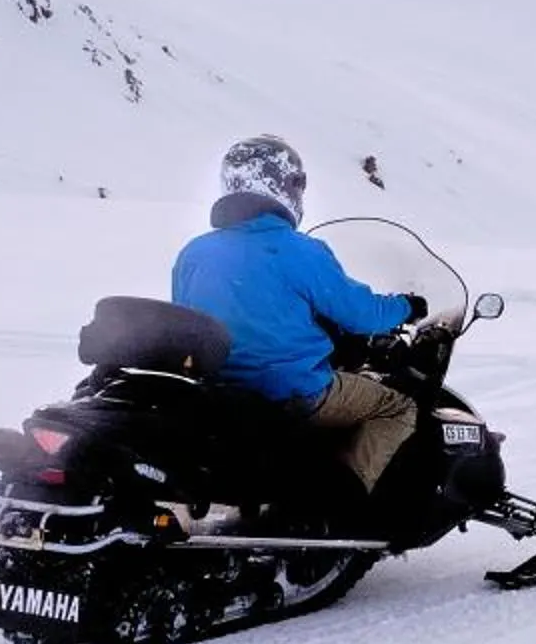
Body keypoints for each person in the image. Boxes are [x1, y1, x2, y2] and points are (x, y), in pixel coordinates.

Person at [171, 134, 429, 500]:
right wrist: (407, 306)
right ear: (285, 185)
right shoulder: (299, 250)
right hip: (291, 389)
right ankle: (343, 501)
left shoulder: (195, 253)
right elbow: (360, 314)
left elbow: (188, 321)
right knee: (398, 407)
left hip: (219, 391)